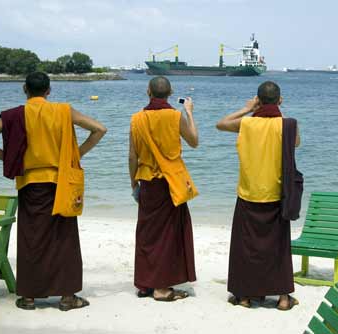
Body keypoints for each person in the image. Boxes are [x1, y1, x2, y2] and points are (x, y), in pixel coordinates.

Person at [0, 72, 107, 311]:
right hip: (60, 182)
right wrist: (75, 155)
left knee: (31, 240)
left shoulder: (15, 115)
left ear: (25, 89)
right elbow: (99, 129)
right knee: (64, 240)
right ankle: (67, 297)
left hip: (29, 183)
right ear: (49, 90)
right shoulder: (63, 111)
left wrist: (8, 159)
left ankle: (29, 297)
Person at [216, 81, 300, 310]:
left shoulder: (246, 124)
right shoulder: (289, 125)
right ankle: (283, 297)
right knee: (279, 248)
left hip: (249, 193)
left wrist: (247, 109)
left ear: (258, 100)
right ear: (280, 100)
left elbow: (221, 124)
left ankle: (244, 296)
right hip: (276, 194)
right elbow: (296, 144)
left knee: (246, 247)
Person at [129, 76, 198, 301]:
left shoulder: (137, 118)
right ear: (170, 94)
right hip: (171, 182)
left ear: (148, 92)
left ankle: (146, 284)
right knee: (169, 235)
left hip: (148, 181)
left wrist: (133, 183)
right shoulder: (174, 116)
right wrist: (189, 112)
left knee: (148, 234)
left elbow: (132, 155)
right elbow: (194, 141)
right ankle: (161, 288)